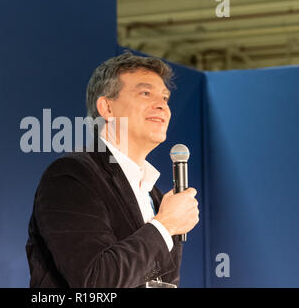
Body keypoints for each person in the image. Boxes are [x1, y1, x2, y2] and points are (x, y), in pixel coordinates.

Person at [25, 51, 199, 288]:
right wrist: (165, 225)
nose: (162, 106)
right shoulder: (71, 176)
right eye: (145, 93)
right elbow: (97, 280)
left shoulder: (156, 197)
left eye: (165, 98)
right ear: (107, 108)